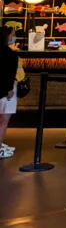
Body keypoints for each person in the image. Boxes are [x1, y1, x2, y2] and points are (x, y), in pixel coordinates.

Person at [0, 26, 21, 159]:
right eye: (12, 35)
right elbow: (10, 74)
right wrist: (8, 90)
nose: (14, 37)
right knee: (4, 119)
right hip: (5, 91)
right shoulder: (11, 54)